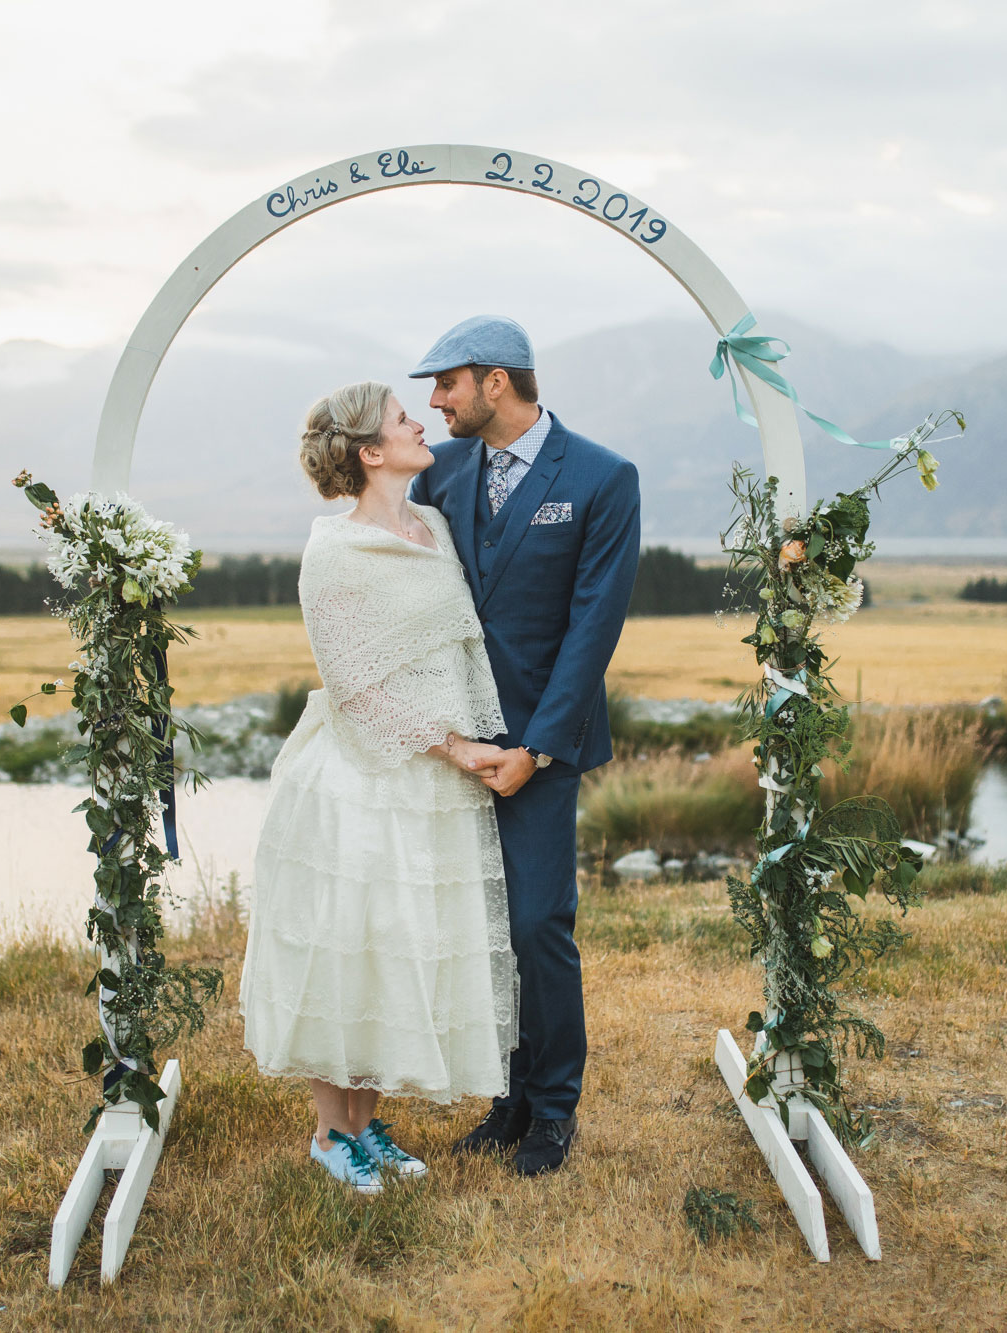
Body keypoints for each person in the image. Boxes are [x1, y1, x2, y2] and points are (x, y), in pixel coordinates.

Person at [239, 380, 522, 1195]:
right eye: (403, 419)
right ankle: (332, 1135)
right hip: (363, 775)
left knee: (397, 951)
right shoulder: (333, 550)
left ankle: (366, 1127)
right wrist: (454, 745)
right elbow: (354, 686)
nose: (419, 422)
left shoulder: (429, 523)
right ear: (370, 452)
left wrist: (472, 742)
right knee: (349, 950)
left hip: (433, 782)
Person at [407, 315, 641, 1177]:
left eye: (446, 384)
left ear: (495, 381)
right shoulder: (443, 471)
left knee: (541, 923)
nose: (434, 402)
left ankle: (553, 1110)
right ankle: (507, 1096)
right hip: (456, 740)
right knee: (486, 928)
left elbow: (593, 628)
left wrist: (535, 750)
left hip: (543, 743)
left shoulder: (603, 478)